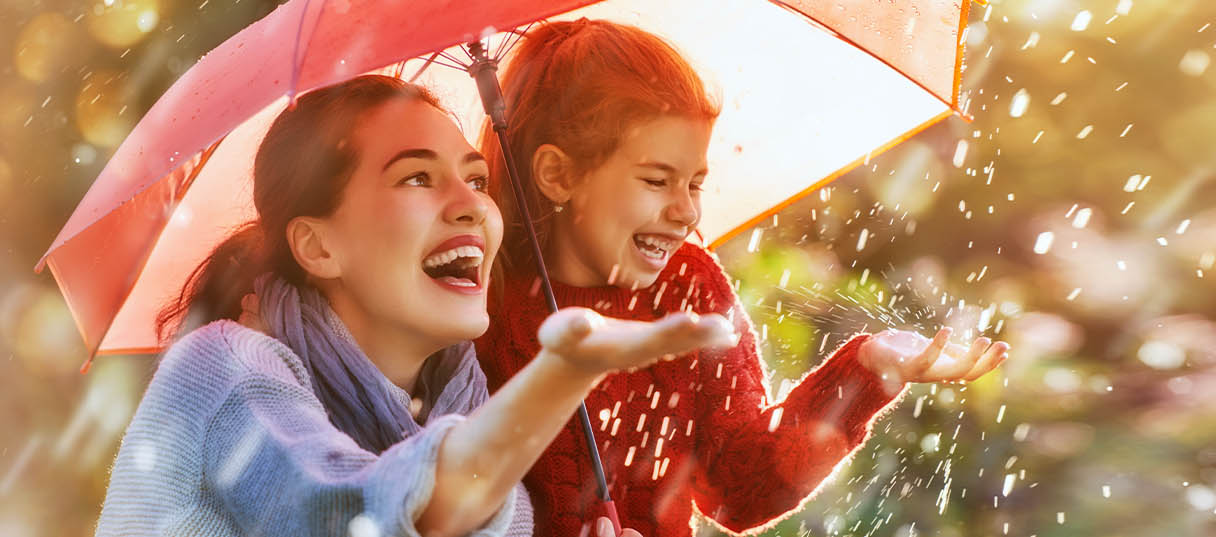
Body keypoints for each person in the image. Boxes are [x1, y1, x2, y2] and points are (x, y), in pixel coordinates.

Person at [95, 74, 734, 537]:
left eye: (477, 179)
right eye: (416, 177)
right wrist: (565, 373)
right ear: (317, 246)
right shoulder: (224, 371)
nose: (471, 206)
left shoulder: (465, 408)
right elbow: (348, 516)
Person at [475, 20, 1010, 537]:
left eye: (696, 183)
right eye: (657, 180)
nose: (687, 212)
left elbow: (741, 489)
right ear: (559, 176)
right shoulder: (482, 310)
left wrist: (865, 371)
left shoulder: (688, 289)